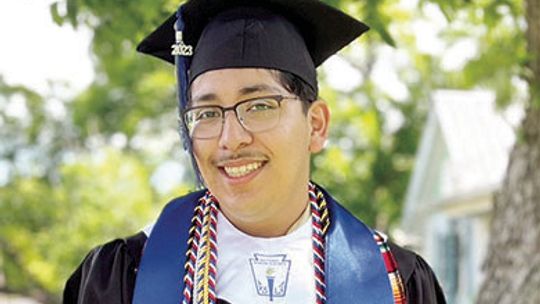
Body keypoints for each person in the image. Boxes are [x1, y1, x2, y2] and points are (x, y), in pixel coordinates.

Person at [63, 0, 446, 303]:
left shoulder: (395, 280)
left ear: (316, 125)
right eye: (207, 113)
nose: (231, 138)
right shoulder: (126, 277)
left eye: (258, 106)